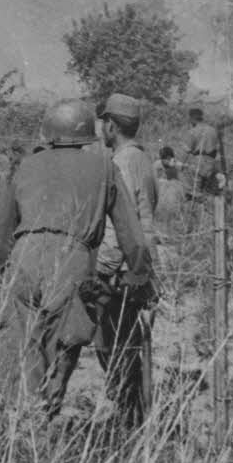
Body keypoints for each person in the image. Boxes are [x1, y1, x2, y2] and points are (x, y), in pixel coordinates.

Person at [0, 99, 153, 419]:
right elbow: (130, 231)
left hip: (24, 256)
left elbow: (1, 232)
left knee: (22, 342)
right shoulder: (104, 166)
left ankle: (21, 422)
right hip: (72, 260)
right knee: (64, 345)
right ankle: (46, 415)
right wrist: (140, 273)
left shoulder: (26, 165)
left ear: (49, 133)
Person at [94, 93, 159, 427]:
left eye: (102, 121)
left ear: (110, 124)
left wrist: (102, 268)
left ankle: (127, 415)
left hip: (123, 268)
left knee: (112, 343)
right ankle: (131, 412)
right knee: (129, 342)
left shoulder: (120, 162)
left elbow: (123, 223)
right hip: (141, 263)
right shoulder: (143, 159)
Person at [183, 108, 222, 196]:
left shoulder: (192, 132)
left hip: (198, 164)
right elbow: (218, 150)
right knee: (208, 192)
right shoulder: (213, 130)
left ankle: (193, 204)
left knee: (192, 191)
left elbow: (187, 152)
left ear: (192, 119)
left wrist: (182, 165)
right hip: (211, 164)